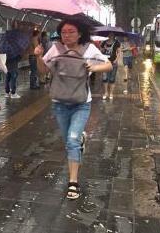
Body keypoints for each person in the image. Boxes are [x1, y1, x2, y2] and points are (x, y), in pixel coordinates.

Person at [34, 19, 112, 200]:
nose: (66, 35)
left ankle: (73, 182)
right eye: (63, 32)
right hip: (60, 103)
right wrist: (38, 56)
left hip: (81, 103)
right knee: (68, 140)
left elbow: (108, 65)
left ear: (80, 33)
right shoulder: (55, 49)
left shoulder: (89, 49)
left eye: (71, 31)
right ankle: (80, 138)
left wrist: (94, 66)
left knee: (72, 141)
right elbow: (43, 71)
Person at [100, 33, 121, 100]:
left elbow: (119, 52)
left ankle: (111, 93)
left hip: (113, 63)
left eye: (112, 35)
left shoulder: (117, 42)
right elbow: (101, 51)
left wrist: (116, 60)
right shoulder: (104, 42)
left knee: (112, 79)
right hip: (105, 62)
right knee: (105, 78)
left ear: (114, 35)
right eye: (109, 34)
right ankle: (106, 93)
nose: (110, 36)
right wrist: (103, 48)